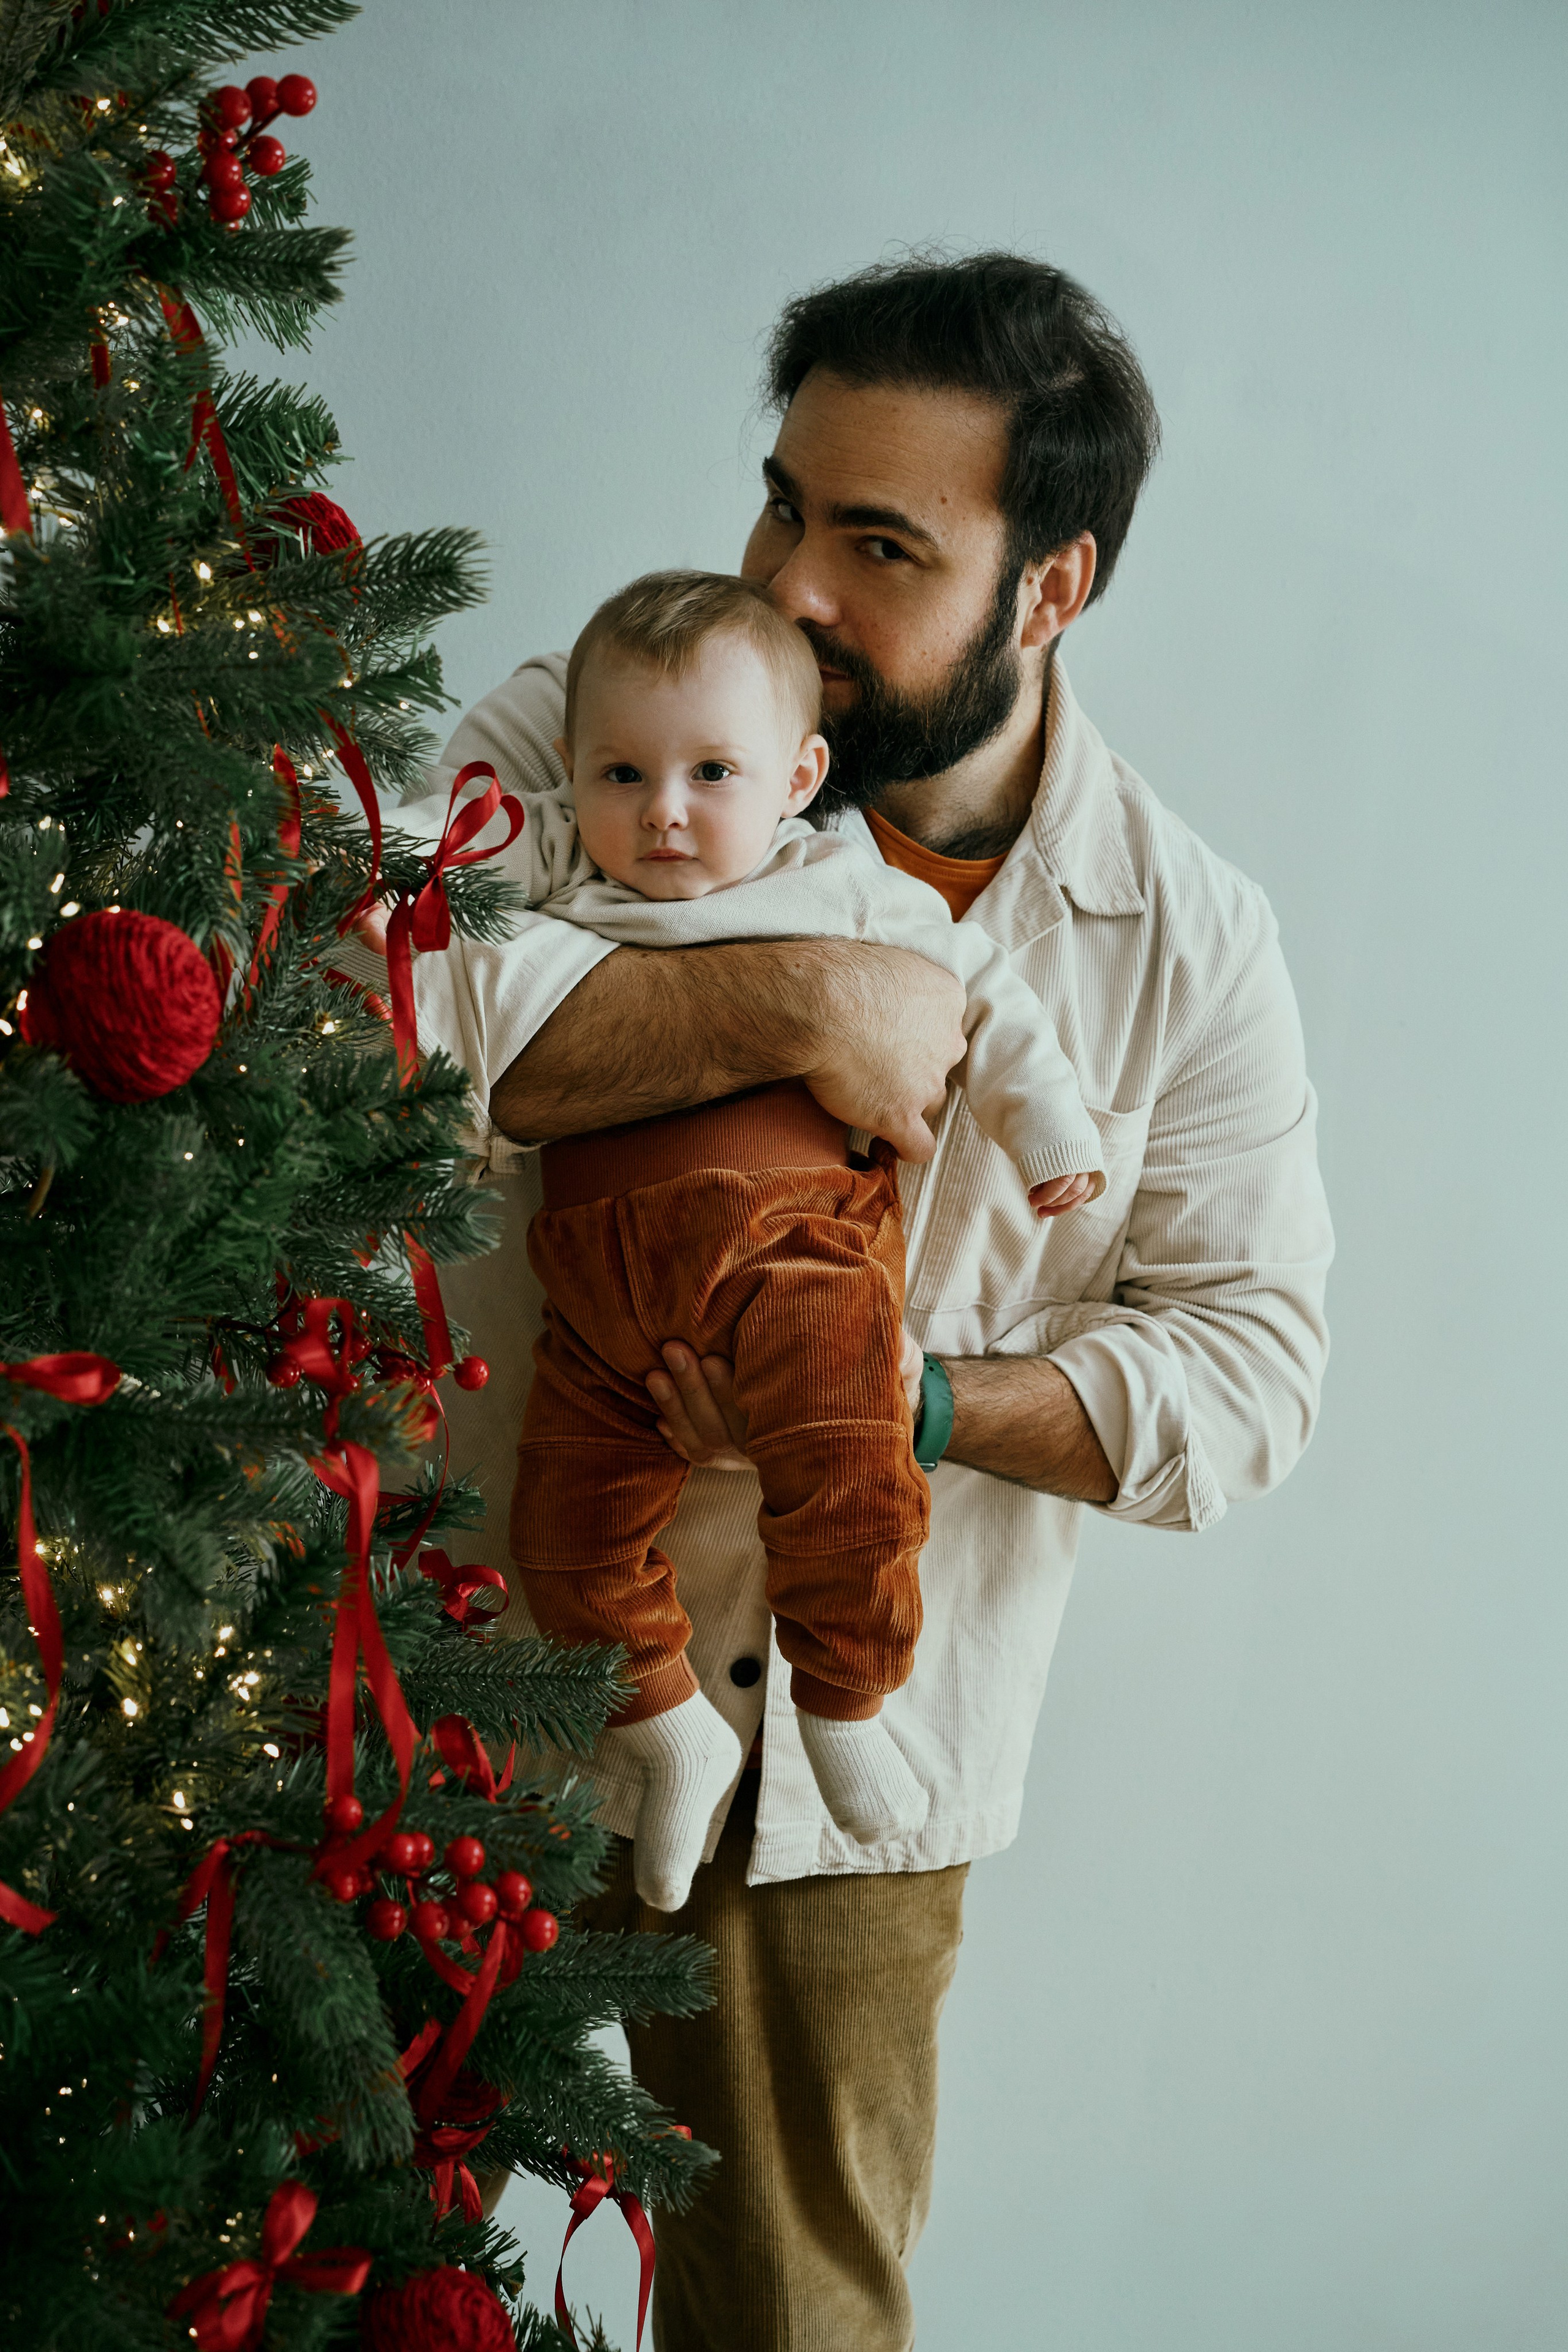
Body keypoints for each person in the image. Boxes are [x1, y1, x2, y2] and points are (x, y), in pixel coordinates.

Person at [396, 252, 1333, 2352]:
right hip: (471, 1650)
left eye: (881, 544)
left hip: (854, 1777)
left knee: (796, 2325)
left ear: (1053, 586)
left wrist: (892, 1405)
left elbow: (1252, 1374)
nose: (793, 587)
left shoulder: (1188, 935)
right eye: (783, 506)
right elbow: (389, 1006)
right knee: (315, 2256)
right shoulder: (588, 721)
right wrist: (814, 991)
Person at [427, 565, 1104, 1910]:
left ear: (798, 777)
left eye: (710, 776)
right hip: (600, 1302)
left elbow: (986, 1005)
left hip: (794, 1255)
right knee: (560, 1539)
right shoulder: (566, 859)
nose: (663, 814)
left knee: (849, 1470)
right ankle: (665, 1726)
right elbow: (425, 910)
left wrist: (1050, 1131)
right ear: (572, 773)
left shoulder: (840, 889)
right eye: (619, 774)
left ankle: (845, 1704)